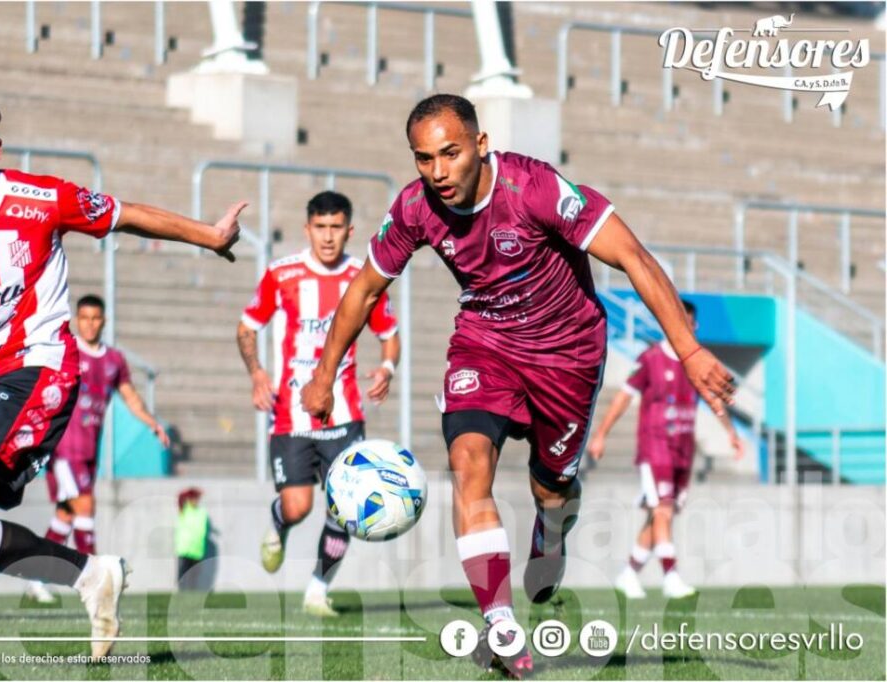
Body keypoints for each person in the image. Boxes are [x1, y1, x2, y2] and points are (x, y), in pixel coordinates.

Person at [300, 94, 735, 678]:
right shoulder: (414, 208)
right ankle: (501, 624)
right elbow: (363, 291)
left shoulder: (534, 189)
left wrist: (688, 349)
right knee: (468, 460)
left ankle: (552, 527)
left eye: (450, 154)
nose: (438, 172)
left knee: (551, 491)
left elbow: (632, 256)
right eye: (424, 159)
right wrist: (324, 375)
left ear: (480, 145)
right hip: (485, 344)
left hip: (568, 356)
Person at [0, 90, 244, 671]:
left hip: (39, 371)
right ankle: (92, 575)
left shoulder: (41, 199)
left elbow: (128, 214)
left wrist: (210, 236)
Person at [237, 191, 400, 617]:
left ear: (350, 231)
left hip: (345, 415)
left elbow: (390, 334)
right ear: (308, 228)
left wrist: (387, 368)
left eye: (336, 228)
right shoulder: (282, 274)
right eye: (320, 228)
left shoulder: (364, 278)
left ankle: (317, 589)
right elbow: (247, 327)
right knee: (299, 506)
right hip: (291, 413)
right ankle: (278, 521)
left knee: (344, 508)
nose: (328, 238)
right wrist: (257, 373)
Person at [587, 299, 744, 599]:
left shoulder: (695, 363)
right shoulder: (650, 359)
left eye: (691, 323)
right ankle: (670, 575)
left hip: (684, 449)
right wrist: (601, 434)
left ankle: (629, 573)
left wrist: (731, 434)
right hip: (655, 446)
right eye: (681, 321)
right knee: (663, 510)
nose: (688, 328)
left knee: (660, 515)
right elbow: (624, 397)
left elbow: (715, 401)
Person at [26, 294, 171, 604]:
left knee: (66, 515)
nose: (90, 324)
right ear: (78, 320)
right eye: (85, 318)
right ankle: (93, 578)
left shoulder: (113, 360)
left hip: (90, 449)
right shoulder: (67, 350)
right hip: (64, 448)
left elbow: (130, 396)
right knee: (85, 507)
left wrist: (152, 422)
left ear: (103, 321)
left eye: (96, 318)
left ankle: (37, 576)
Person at [175, 487, 210, 586]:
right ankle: (182, 590)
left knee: (195, 573)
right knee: (183, 571)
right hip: (185, 547)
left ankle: (191, 591)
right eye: (193, 498)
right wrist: (191, 491)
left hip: (197, 548)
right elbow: (180, 497)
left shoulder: (202, 512)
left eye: (197, 498)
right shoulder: (184, 510)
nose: (195, 501)